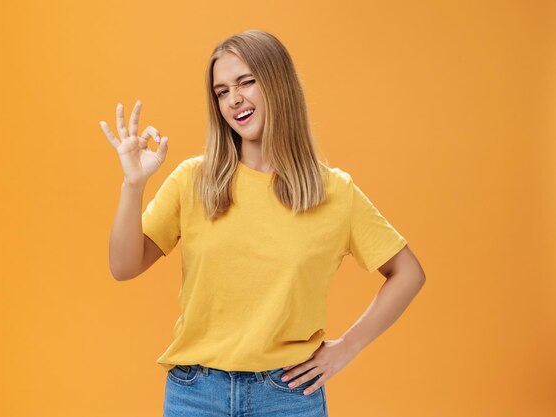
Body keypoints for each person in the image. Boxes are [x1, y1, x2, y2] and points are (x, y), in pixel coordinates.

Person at [100, 29, 426, 417]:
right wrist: (133, 184)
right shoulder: (194, 180)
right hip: (196, 395)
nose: (234, 99)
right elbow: (123, 266)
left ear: (278, 83)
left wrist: (346, 348)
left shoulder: (334, 191)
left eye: (246, 82)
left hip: (287, 396)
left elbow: (408, 272)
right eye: (222, 91)